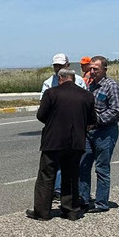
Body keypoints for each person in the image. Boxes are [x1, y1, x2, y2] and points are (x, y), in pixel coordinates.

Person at [27, 69, 96, 221]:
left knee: (47, 175)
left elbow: (41, 115)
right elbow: (92, 119)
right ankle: (71, 210)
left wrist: (54, 122)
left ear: (60, 79)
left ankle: (42, 212)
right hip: (76, 141)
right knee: (71, 176)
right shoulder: (87, 95)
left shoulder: (51, 93)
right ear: (73, 78)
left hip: (53, 140)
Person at [79, 56, 119, 213]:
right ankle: (83, 199)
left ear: (104, 69)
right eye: (90, 68)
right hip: (88, 132)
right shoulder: (90, 86)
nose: (92, 72)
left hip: (105, 132)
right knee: (83, 166)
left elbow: (115, 111)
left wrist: (96, 121)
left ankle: (101, 203)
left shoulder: (112, 86)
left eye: (95, 69)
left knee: (102, 168)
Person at [40, 53, 88, 200]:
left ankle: (67, 196)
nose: (58, 68)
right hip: (55, 131)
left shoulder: (79, 81)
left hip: (74, 130)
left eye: (61, 65)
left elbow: (86, 102)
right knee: (51, 166)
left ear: (67, 65)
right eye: (56, 66)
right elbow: (42, 109)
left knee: (70, 166)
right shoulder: (49, 83)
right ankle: (56, 192)